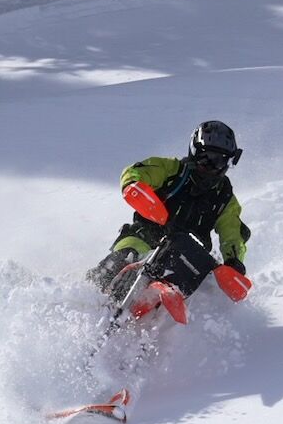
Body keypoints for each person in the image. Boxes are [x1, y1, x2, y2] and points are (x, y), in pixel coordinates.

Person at [87, 120, 250, 302]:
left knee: (205, 284)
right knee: (124, 257)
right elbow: (135, 172)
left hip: (186, 257)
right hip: (145, 236)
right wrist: (134, 187)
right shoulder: (171, 170)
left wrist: (234, 263)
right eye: (206, 158)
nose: (212, 167)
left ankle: (171, 307)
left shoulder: (225, 198)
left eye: (219, 161)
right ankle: (87, 299)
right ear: (194, 153)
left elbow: (233, 235)